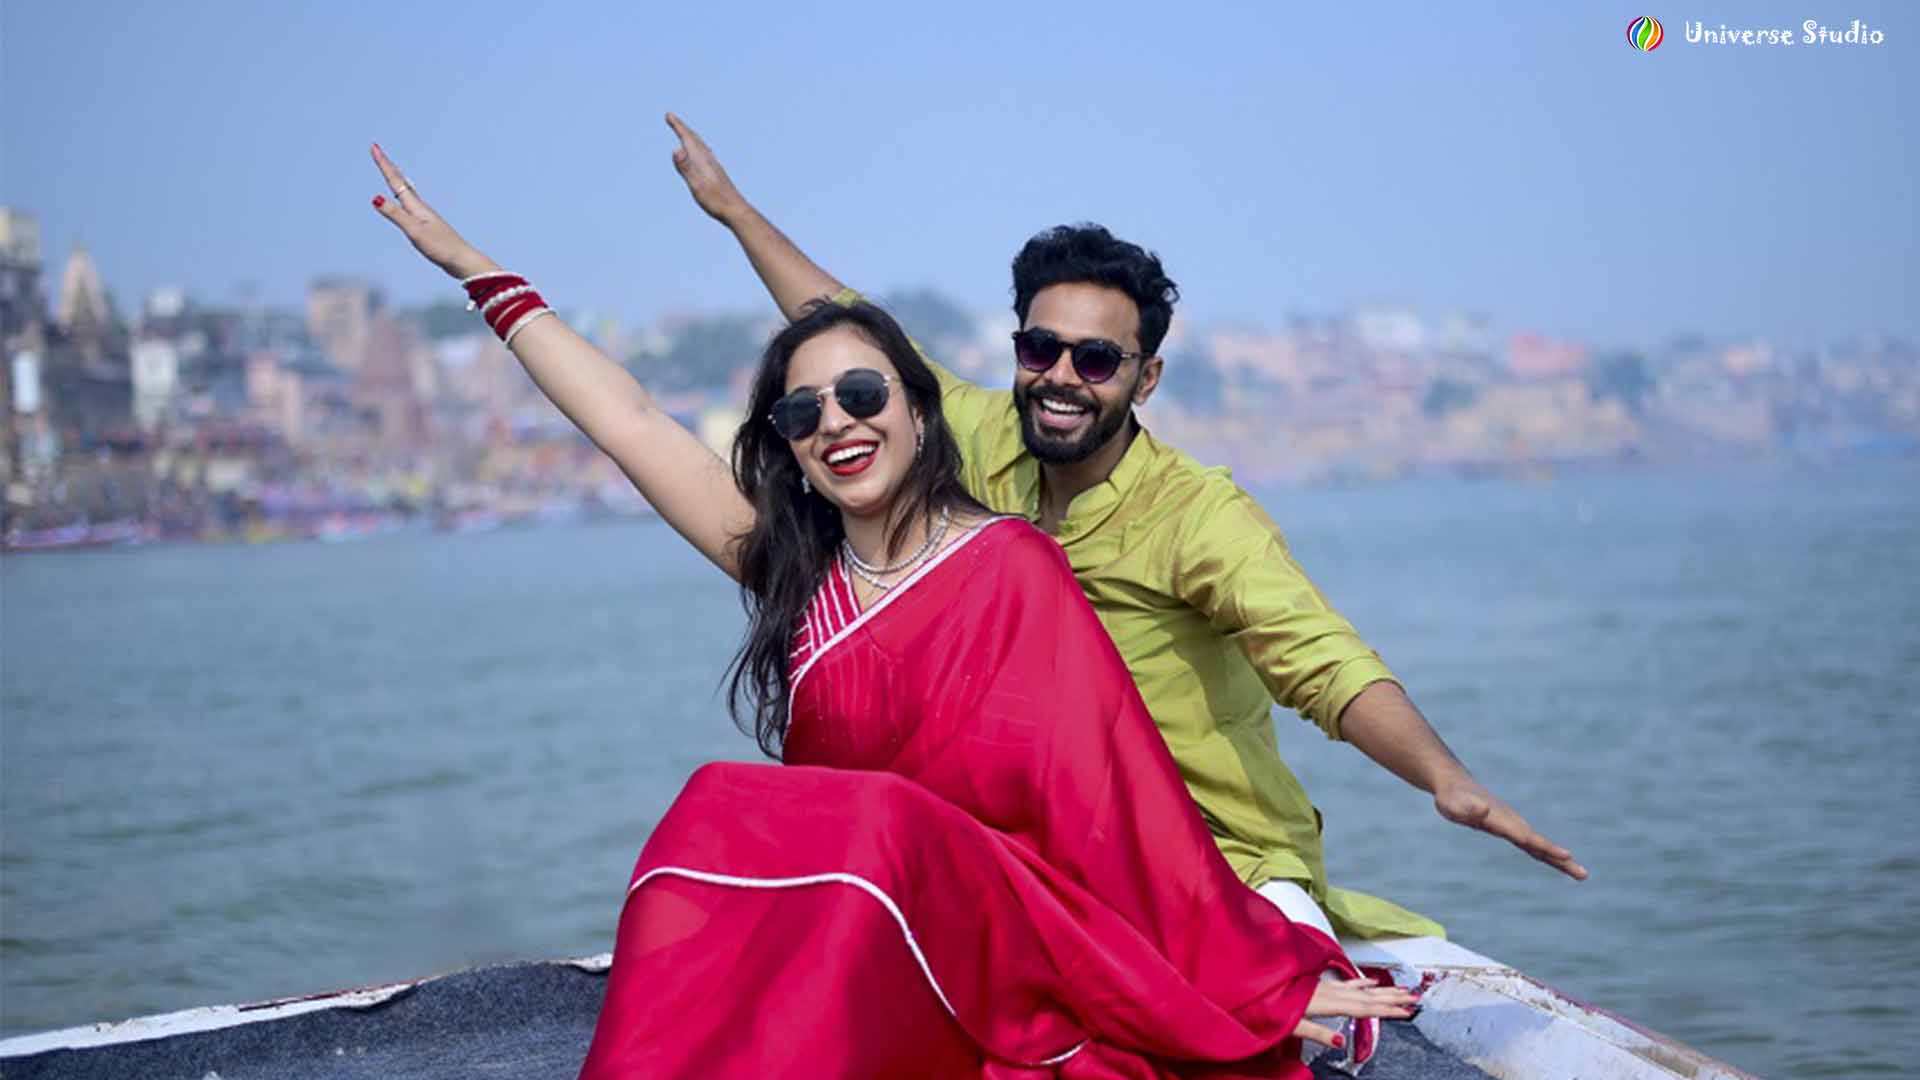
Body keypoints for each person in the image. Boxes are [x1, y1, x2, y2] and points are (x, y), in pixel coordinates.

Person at [365, 147, 1417, 1077]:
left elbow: (1117, 813)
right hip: (854, 933)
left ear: (920, 410)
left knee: (874, 818)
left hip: (992, 934)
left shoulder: (1011, 567)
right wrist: (475, 269)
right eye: (804, 411)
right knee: (715, 805)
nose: (838, 424)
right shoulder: (797, 577)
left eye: (864, 396)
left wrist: (1260, 981)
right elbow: (633, 421)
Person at [661, 114, 1587, 952]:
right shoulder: (981, 437)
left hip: (1223, 858)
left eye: (1097, 359)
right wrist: (735, 212)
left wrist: (1443, 777)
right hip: (1051, 851)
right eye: (1040, 349)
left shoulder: (1196, 516)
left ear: (1144, 381)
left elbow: (1322, 660)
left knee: (1283, 1025)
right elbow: (847, 329)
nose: (1062, 377)